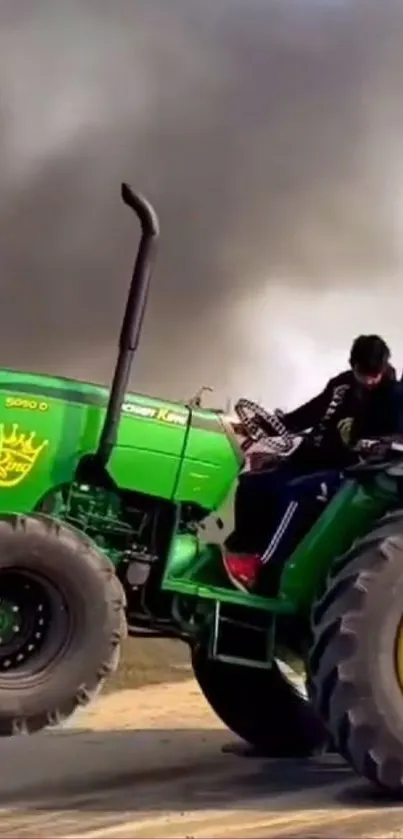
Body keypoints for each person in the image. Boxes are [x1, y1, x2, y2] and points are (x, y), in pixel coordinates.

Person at [223, 334, 403, 593]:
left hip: (351, 473)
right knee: (253, 483)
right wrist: (262, 427)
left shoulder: (394, 397)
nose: (370, 379)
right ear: (352, 365)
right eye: (364, 373)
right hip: (311, 461)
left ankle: (264, 569)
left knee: (295, 494)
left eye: (375, 373)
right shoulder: (341, 385)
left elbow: (395, 439)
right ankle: (242, 550)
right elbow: (307, 415)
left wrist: (375, 444)